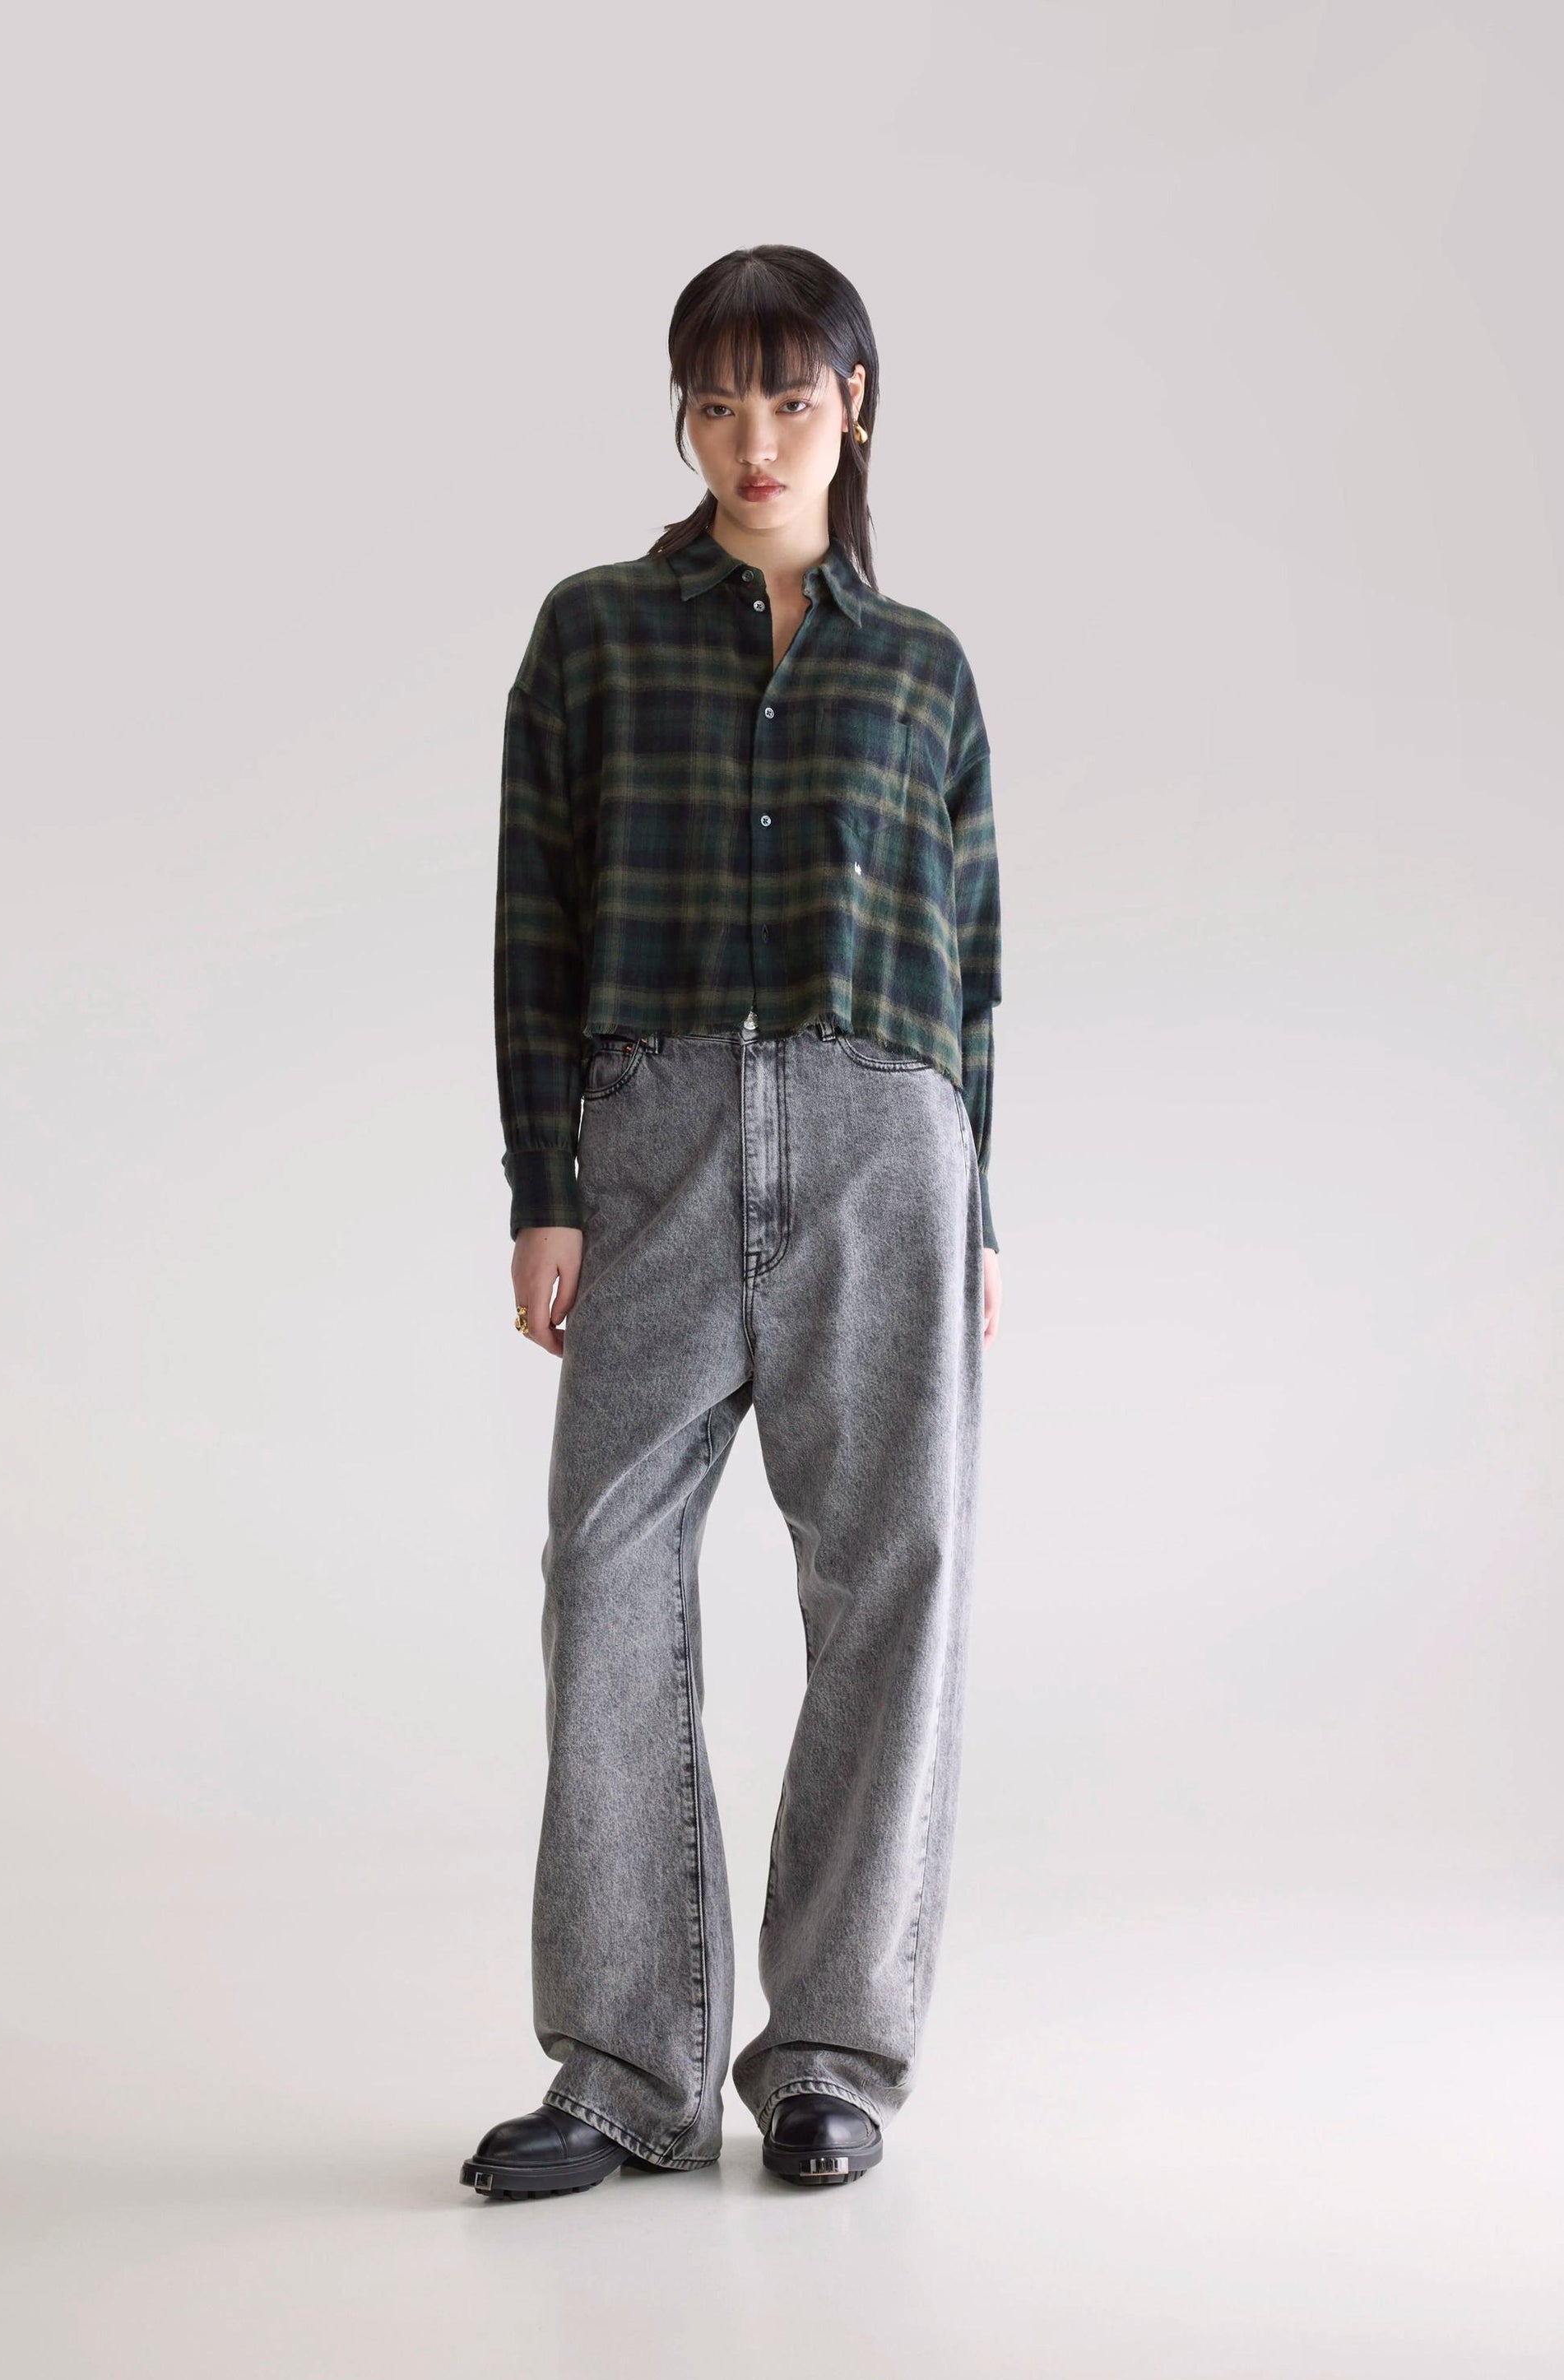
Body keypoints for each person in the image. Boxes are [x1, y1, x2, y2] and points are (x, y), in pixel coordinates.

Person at [461, 244, 1002, 2201]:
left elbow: (969, 962)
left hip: (882, 1139)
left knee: (892, 1581)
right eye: (716, 401)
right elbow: (533, 926)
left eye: (788, 397)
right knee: (605, 1569)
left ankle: (833, 2057)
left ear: (855, 404)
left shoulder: (920, 666)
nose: (752, 439)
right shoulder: (594, 634)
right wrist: (544, 1189)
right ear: (683, 415)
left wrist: (977, 1205)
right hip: (655, 1132)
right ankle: (623, 2066)